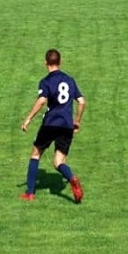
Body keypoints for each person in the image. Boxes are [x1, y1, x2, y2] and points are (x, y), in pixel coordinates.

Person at [20, 49, 86, 203]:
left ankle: (30, 193)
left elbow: (42, 100)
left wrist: (28, 118)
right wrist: (77, 121)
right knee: (59, 162)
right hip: (66, 126)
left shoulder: (46, 81)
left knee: (36, 153)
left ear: (46, 63)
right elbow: (82, 102)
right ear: (60, 62)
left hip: (50, 123)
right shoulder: (70, 80)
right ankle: (71, 178)